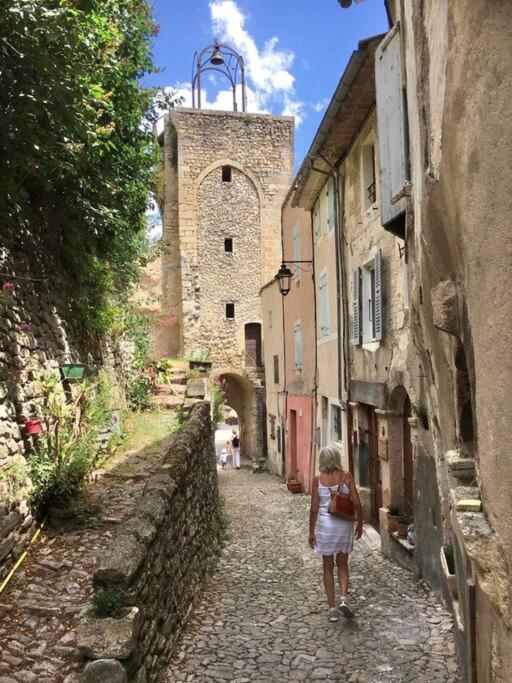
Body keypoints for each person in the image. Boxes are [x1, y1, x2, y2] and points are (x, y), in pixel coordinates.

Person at [309, 444, 363, 622]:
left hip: (326, 527)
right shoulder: (346, 477)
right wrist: (360, 524)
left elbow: (314, 508)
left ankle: (332, 608)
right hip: (344, 526)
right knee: (342, 563)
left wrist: (311, 532)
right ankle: (343, 599)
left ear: (322, 460)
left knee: (327, 567)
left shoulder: (317, 480)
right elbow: (356, 503)